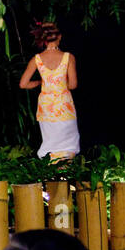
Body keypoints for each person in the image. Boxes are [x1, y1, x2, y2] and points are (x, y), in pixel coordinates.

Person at [18, 20, 79, 159]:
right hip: (64, 107)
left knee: (51, 145)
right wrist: (60, 82)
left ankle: (51, 178)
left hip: (46, 109)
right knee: (67, 146)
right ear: (59, 37)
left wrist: (42, 82)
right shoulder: (68, 58)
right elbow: (73, 85)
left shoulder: (36, 59)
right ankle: (65, 177)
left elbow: (23, 84)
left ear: (43, 40)